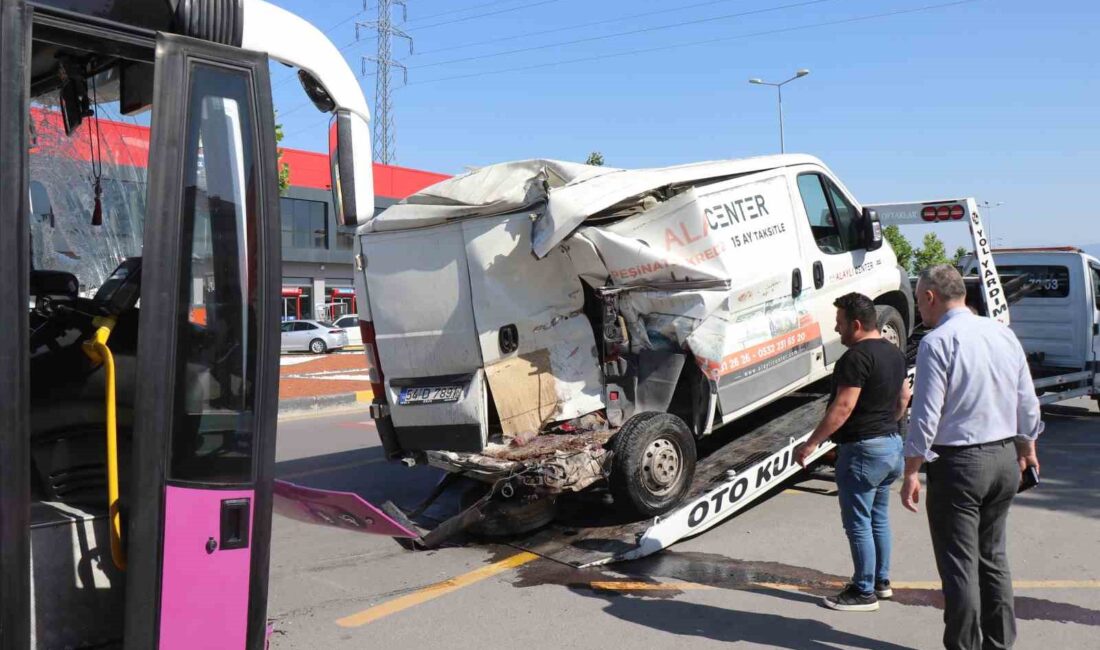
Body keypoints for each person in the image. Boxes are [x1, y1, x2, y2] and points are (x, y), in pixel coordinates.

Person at [900, 264, 1043, 650]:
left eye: (918, 302)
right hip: (1003, 459)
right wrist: (1027, 448)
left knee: (960, 566)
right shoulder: (1002, 333)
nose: (919, 312)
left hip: (960, 464)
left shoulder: (937, 341)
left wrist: (912, 469)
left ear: (930, 296)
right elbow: (1027, 401)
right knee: (993, 558)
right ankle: (999, 644)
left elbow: (926, 415)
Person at [794, 292, 910, 612]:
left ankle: (863, 591)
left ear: (856, 325)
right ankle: (881, 582)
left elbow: (843, 407)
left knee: (858, 523)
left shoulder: (855, 358)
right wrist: (886, 425)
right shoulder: (895, 354)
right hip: (890, 445)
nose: (837, 329)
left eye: (840, 323)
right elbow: (904, 398)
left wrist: (812, 442)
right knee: (878, 518)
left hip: (862, 450)